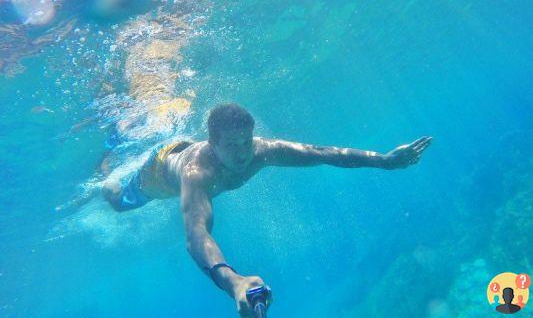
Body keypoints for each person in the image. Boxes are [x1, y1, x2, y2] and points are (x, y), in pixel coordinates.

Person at [102, 103, 432, 317]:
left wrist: (384, 160)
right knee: (116, 201)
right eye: (231, 145)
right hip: (158, 171)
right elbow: (196, 234)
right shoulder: (197, 174)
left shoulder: (261, 151)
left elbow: (319, 152)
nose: (242, 153)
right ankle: (106, 167)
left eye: (246, 141)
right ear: (212, 144)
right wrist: (234, 283)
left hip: (181, 147)